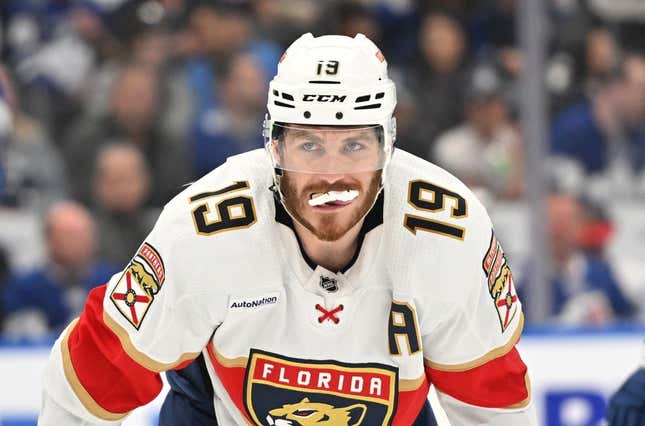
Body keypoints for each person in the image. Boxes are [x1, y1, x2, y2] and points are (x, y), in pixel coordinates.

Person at [39, 33, 537, 425]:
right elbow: (87, 379)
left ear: (387, 149)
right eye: (309, 146)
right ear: (274, 149)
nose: (331, 176)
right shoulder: (202, 230)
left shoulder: (449, 232)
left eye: (354, 147)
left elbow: (495, 406)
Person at [2, 202, 118, 337]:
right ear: (50, 239)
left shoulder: (112, 281)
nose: (80, 242)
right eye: (70, 235)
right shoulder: (24, 287)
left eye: (84, 234)